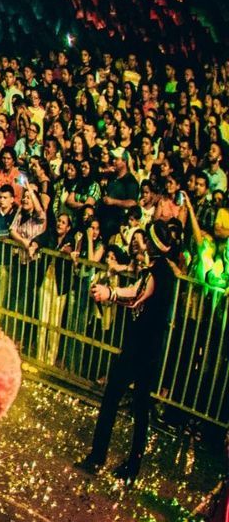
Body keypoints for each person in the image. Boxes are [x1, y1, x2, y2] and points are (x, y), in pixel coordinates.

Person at [79, 190, 186, 482]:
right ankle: (124, 464)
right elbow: (136, 290)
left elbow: (136, 297)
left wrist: (108, 293)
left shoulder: (159, 273)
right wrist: (115, 293)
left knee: (121, 400)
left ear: (154, 245)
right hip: (146, 349)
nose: (143, 244)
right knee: (137, 407)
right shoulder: (159, 270)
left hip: (140, 349)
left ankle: (104, 458)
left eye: (147, 240)